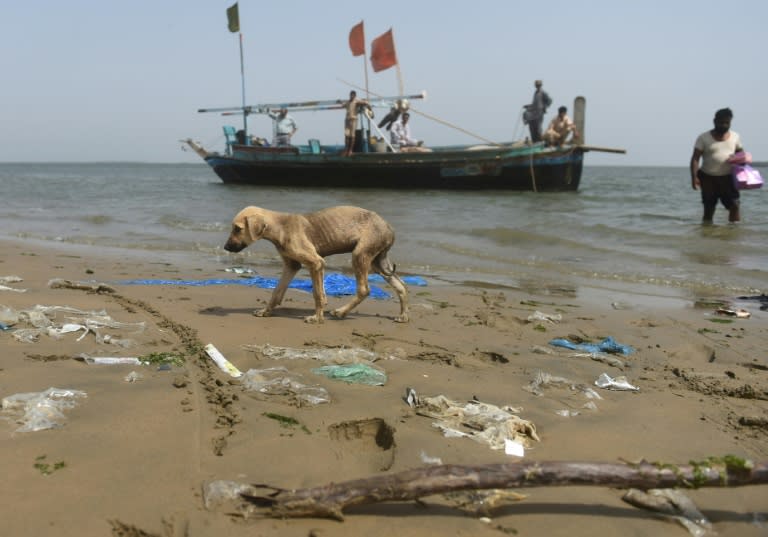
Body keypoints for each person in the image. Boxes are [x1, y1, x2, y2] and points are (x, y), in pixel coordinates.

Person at [690, 108, 745, 224]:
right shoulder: (703, 137)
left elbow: (741, 155)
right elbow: (695, 158)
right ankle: (707, 235)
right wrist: (694, 177)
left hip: (728, 178)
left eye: (727, 123)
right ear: (715, 121)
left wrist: (741, 160)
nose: (724, 125)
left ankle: (734, 233)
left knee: (735, 205)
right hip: (708, 178)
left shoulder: (735, 137)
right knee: (709, 209)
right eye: (721, 122)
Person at [341, 90, 368, 156]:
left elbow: (365, 102)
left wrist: (362, 102)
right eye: (351, 95)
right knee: (346, 135)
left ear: (355, 96)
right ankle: (346, 150)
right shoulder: (348, 102)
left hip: (354, 120)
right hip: (347, 120)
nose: (351, 96)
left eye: (353, 95)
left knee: (352, 136)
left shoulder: (356, 101)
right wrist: (340, 102)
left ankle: (350, 150)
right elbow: (343, 105)